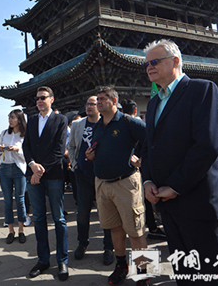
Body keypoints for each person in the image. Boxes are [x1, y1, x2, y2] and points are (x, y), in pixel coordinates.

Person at [141, 39, 218, 285]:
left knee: (208, 277)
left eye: (155, 61)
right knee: (184, 274)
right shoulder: (155, 101)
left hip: (197, 201)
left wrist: (176, 185)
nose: (149, 67)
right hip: (166, 203)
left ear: (175, 61)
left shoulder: (202, 89)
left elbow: (208, 145)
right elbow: (149, 147)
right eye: (147, 63)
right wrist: (147, 180)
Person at [85, 87, 149, 286]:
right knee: (115, 229)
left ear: (114, 102)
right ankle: (121, 266)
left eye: (102, 99)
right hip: (103, 184)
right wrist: (90, 156)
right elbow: (98, 148)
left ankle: (144, 273)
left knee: (136, 231)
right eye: (97, 100)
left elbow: (151, 140)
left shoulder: (128, 122)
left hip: (125, 183)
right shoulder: (98, 126)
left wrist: (141, 159)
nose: (98, 103)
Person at [23, 86, 69, 281]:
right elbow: (26, 146)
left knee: (58, 218)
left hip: (54, 175)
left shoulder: (60, 120)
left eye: (43, 98)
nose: (39, 101)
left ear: (52, 99)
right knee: (39, 218)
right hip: (33, 174)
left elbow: (59, 151)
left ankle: (62, 260)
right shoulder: (32, 120)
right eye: (37, 99)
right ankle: (43, 260)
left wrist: (40, 171)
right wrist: (33, 165)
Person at [68, 96, 114, 264]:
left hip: (102, 176)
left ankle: (108, 247)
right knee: (82, 213)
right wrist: (74, 165)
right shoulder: (77, 125)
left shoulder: (107, 123)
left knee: (106, 213)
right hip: (82, 175)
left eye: (93, 104)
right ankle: (82, 243)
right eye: (87, 103)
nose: (89, 106)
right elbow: (71, 146)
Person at [120, 99, 166, 241]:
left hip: (131, 171)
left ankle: (148, 227)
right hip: (142, 168)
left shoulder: (120, 125)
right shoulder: (138, 125)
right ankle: (151, 228)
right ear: (135, 111)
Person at [0, 109, 28, 244]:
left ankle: (21, 230)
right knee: (7, 201)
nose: (10, 120)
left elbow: (27, 153)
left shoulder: (25, 135)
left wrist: (17, 149)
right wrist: (2, 148)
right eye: (9, 117)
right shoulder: (4, 133)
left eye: (13, 118)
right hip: (4, 168)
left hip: (18, 168)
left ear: (20, 120)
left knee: (20, 200)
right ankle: (10, 230)